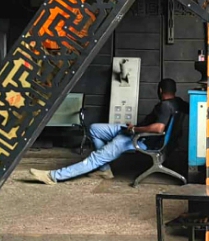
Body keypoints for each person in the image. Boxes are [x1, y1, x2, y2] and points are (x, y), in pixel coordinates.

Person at [30, 78, 185, 184]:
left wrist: (135, 129)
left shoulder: (165, 106)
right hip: (136, 132)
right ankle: (104, 170)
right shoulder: (178, 103)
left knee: (95, 158)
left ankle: (53, 176)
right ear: (175, 91)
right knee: (95, 129)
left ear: (160, 90)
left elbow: (158, 128)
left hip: (141, 138)